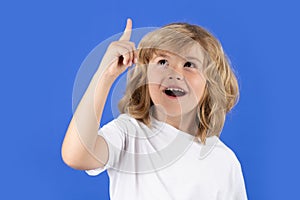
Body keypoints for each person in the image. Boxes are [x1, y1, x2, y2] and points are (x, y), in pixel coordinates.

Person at [61, 18, 248, 200]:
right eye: (163, 62)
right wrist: (105, 75)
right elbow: (76, 155)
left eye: (189, 65)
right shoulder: (129, 133)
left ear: (210, 83)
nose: (174, 73)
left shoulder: (224, 161)